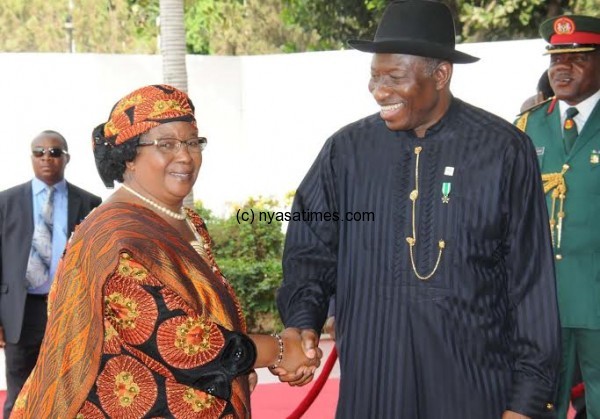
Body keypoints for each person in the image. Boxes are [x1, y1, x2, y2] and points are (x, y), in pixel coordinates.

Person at [277, 1, 561, 417]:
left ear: (440, 74)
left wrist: (527, 402)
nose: (379, 90)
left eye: (394, 77)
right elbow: (310, 248)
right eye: (374, 77)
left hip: (473, 389)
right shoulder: (347, 151)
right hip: (374, 385)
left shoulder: (503, 150)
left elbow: (531, 283)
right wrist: (302, 319)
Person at [10, 85, 319, 418]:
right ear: (128, 155)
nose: (185, 156)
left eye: (192, 142)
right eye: (166, 144)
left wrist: (240, 369)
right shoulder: (115, 237)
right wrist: (278, 349)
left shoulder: (187, 221)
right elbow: (182, 344)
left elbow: (204, 313)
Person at [515, 14, 600, 419]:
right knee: (540, 404)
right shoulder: (528, 127)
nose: (561, 68)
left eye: (578, 57)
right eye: (555, 58)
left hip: (597, 298)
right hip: (541, 304)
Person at [0, 130, 101, 418]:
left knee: (70, 388)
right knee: (19, 392)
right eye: (39, 152)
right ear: (31, 157)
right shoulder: (5, 202)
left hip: (68, 308)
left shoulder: (90, 203)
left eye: (55, 152)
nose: (47, 158)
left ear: (66, 158)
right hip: (20, 311)